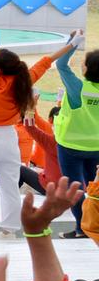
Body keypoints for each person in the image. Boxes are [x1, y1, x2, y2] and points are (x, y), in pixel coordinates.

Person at [0, 37, 70, 236]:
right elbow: (48, 59)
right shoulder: (25, 80)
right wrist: (72, 42)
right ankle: (9, 231)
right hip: (8, 137)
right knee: (10, 186)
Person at [52, 31, 97, 238]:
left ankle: (81, 228)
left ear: (86, 68)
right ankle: (94, 225)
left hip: (70, 146)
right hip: (96, 147)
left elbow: (61, 65)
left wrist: (74, 42)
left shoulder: (78, 88)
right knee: (95, 188)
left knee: (75, 187)